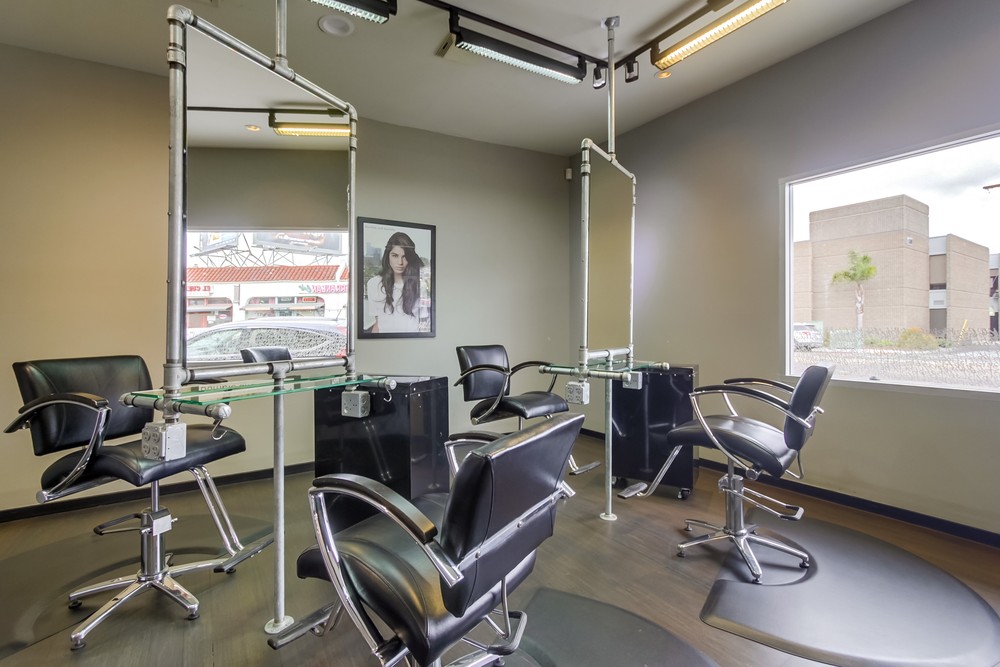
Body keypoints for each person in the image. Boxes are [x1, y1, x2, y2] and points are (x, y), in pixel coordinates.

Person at [366, 231, 424, 333]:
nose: (400, 262)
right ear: (388, 255)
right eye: (395, 256)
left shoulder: (419, 285)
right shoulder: (374, 284)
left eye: (405, 257)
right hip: (385, 341)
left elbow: (424, 325)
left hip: (414, 340)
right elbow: (378, 324)